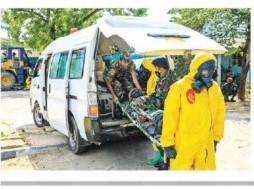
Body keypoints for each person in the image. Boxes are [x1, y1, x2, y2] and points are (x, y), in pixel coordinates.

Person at [160, 52, 225, 170]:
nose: (208, 74)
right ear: (197, 69)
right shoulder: (179, 87)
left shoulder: (214, 88)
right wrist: (168, 143)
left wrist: (216, 138)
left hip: (205, 142)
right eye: (205, 70)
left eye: (212, 71)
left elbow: (220, 113)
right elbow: (170, 116)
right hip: (184, 142)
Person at [133, 57, 173, 166]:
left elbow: (165, 99)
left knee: (156, 130)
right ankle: (159, 155)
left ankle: (162, 157)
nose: (157, 71)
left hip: (166, 108)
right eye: (156, 69)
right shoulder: (160, 78)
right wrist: (143, 98)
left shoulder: (172, 77)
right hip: (158, 104)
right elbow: (155, 94)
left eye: (158, 68)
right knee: (137, 105)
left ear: (163, 67)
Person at [103, 51, 142, 117]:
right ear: (120, 60)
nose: (127, 64)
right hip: (110, 78)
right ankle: (118, 108)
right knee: (118, 87)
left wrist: (140, 90)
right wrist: (114, 96)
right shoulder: (114, 66)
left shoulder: (131, 64)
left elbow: (134, 79)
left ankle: (132, 107)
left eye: (128, 62)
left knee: (131, 88)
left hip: (121, 76)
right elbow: (108, 81)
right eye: (125, 62)